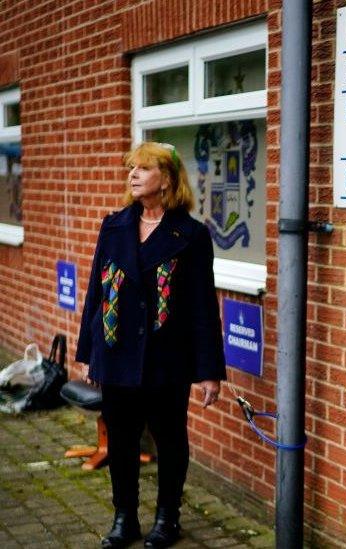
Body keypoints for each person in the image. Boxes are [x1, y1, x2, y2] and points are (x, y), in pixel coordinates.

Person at [76, 141, 226, 548]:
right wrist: (88, 353)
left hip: (167, 360)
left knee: (170, 440)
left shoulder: (191, 236)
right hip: (117, 353)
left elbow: (202, 307)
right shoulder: (114, 226)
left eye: (143, 168)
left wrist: (209, 370)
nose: (133, 175)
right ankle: (124, 518)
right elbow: (96, 294)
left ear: (167, 180)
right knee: (121, 441)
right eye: (131, 168)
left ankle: (167, 518)